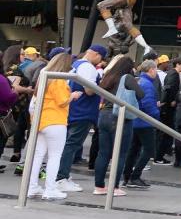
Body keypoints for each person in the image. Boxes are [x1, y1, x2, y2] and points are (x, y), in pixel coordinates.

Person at [27, 53, 82, 200]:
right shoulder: (58, 79)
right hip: (56, 121)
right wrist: (73, 96)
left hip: (41, 121)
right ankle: (50, 189)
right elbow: (62, 101)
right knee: (55, 156)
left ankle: (32, 187)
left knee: (38, 156)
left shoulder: (44, 77)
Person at [55, 44, 107, 192]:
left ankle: (61, 175)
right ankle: (61, 177)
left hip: (72, 109)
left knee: (67, 144)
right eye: (101, 58)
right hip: (83, 111)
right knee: (71, 145)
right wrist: (99, 86)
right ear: (96, 54)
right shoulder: (88, 68)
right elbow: (89, 90)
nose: (100, 61)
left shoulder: (75, 64)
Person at [92, 56, 142, 197]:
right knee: (120, 154)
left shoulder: (108, 76)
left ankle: (99, 186)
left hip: (103, 115)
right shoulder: (127, 78)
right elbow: (141, 94)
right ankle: (114, 187)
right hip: (119, 117)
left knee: (103, 153)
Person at [123, 59, 160, 189]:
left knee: (133, 149)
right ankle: (135, 176)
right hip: (145, 122)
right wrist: (157, 115)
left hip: (135, 121)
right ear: (151, 70)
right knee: (149, 149)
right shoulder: (148, 84)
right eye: (155, 69)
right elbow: (148, 104)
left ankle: (127, 176)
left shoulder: (138, 81)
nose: (156, 72)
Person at [157, 57, 181, 165]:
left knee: (166, 132)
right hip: (168, 107)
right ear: (177, 64)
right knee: (166, 132)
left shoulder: (172, 74)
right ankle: (159, 155)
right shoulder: (173, 74)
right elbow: (168, 88)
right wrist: (170, 101)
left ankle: (160, 154)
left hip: (167, 106)